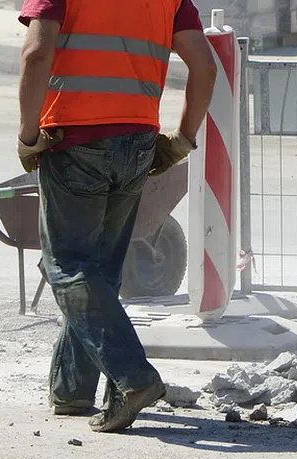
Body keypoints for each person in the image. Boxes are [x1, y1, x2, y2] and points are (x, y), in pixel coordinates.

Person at [16, 0, 217, 432]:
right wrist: (182, 139)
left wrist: (29, 134)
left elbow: (36, 54)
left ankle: (135, 379)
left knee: (67, 266)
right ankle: (73, 391)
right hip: (137, 140)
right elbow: (205, 66)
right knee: (100, 272)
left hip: (74, 140)